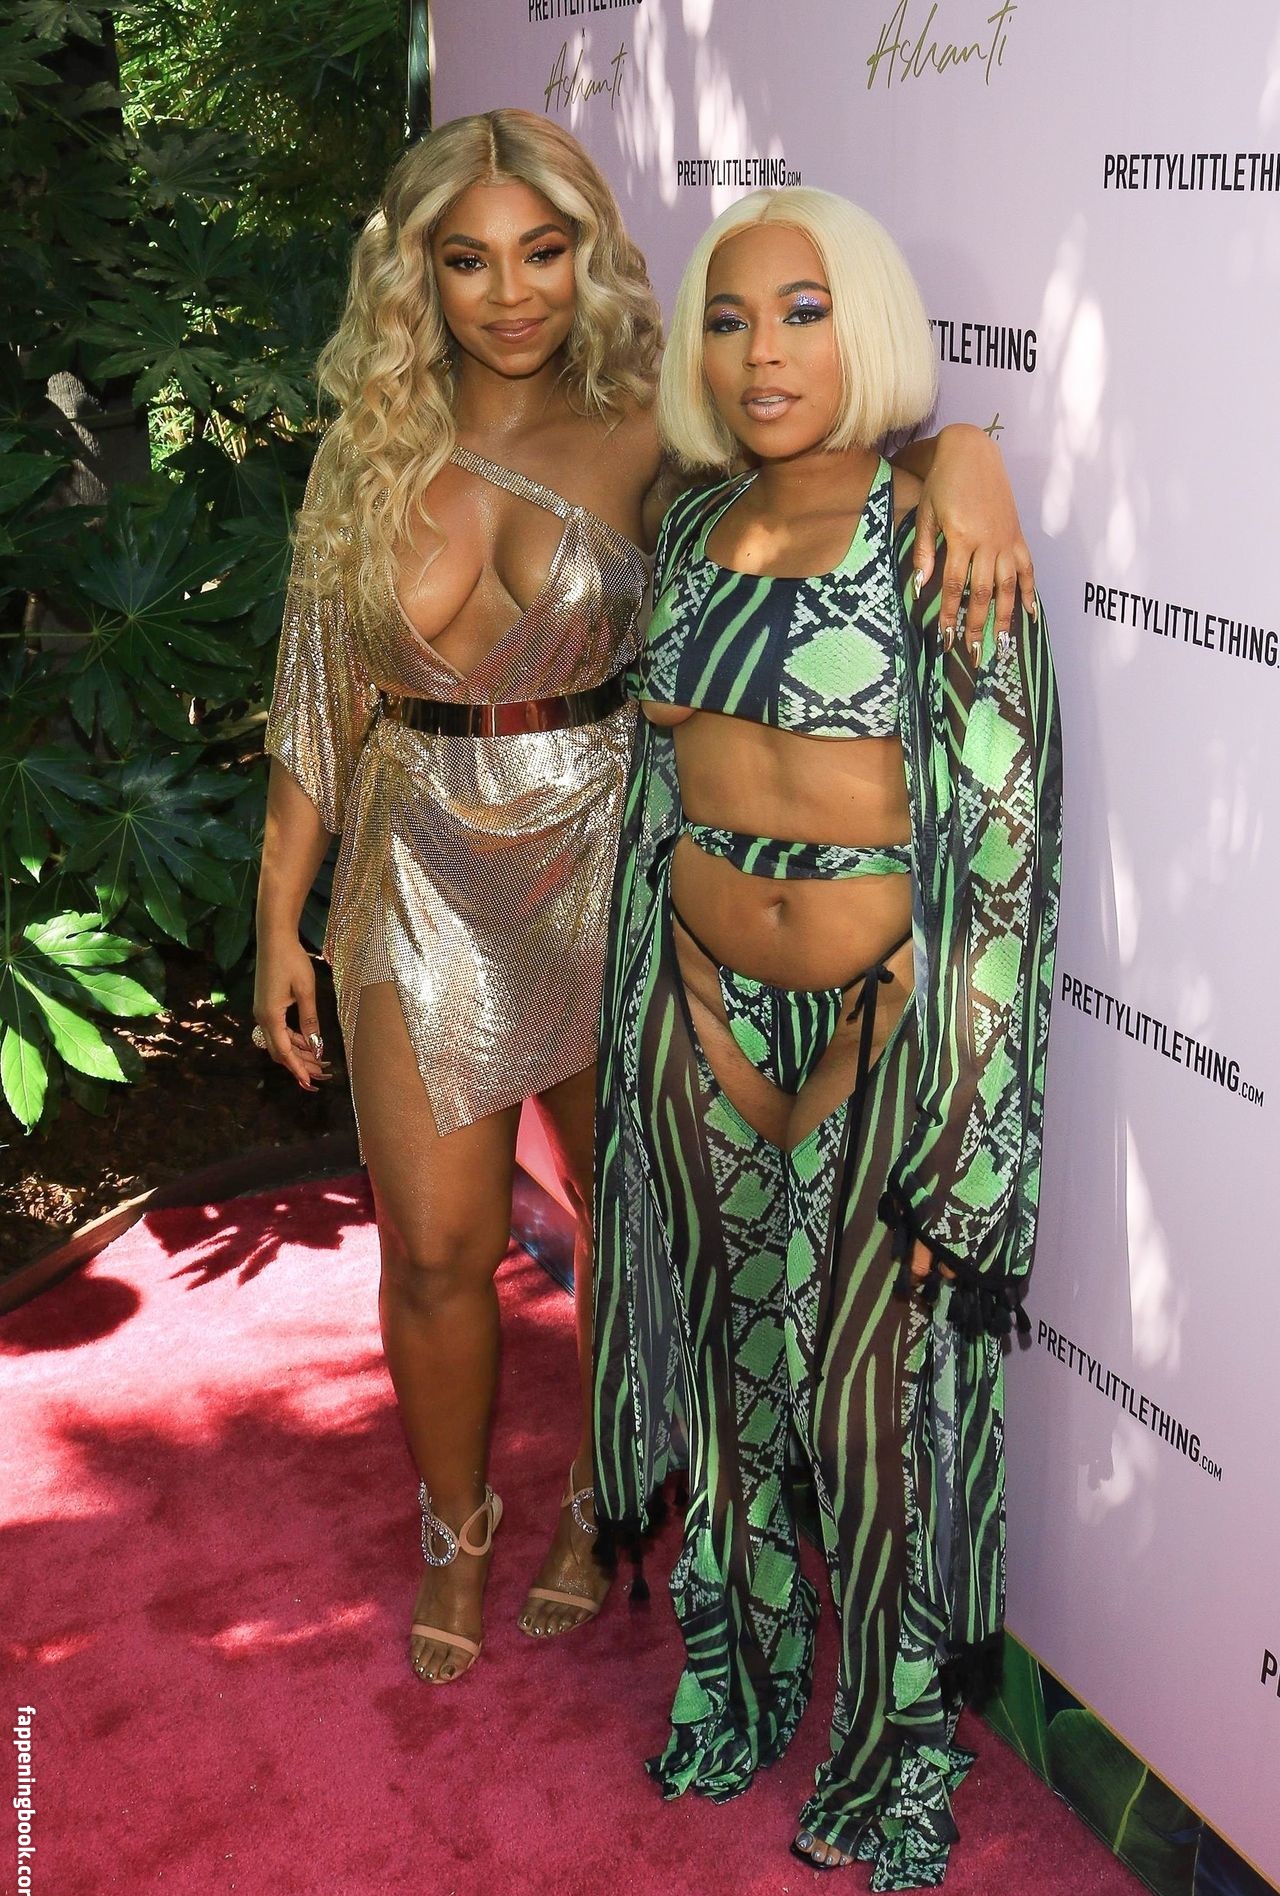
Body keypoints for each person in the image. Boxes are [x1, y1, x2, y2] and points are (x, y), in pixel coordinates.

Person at [253, 108, 1039, 1689]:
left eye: (542, 251)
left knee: (637, 1229)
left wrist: (967, 454)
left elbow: (822, 471)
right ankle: (456, 1524)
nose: (511, 292)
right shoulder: (368, 448)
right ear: (419, 278)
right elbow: (318, 690)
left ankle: (602, 1492)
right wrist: (281, 910)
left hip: (606, 855)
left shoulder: (655, 436)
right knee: (436, 1245)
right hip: (416, 863)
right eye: (468, 261)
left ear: (587, 255)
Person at [592, 186, 1061, 1888]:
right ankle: (737, 1681)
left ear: (865, 324)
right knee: (731, 1396)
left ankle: (892, 1751)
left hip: (882, 1039)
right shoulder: (690, 531)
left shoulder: (943, 536)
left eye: (802, 312)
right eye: (729, 319)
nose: (763, 352)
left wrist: (968, 1133)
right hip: (697, 1017)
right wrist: (657, 1022)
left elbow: (998, 853)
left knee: (871, 1423)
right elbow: (660, 795)